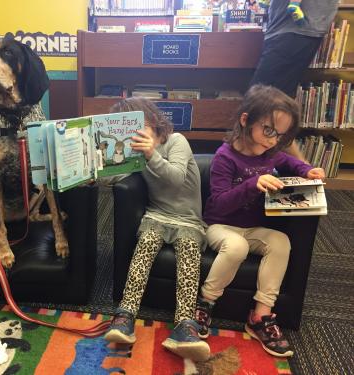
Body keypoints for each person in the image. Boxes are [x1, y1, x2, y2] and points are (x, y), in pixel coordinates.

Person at [194, 85, 325, 358]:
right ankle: (205, 303)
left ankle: (261, 315)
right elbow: (219, 203)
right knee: (237, 247)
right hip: (220, 225)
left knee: (281, 242)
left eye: (280, 134)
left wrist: (308, 170)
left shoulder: (271, 153)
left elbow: (290, 162)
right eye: (268, 130)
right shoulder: (224, 157)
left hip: (253, 228)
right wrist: (253, 184)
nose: (273, 140)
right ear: (245, 120)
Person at [103, 97, 210, 362]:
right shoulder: (137, 152)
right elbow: (115, 176)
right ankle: (125, 315)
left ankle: (185, 325)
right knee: (144, 248)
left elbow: (175, 179)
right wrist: (90, 175)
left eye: (135, 126)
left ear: (151, 121)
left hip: (188, 220)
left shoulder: (177, 141)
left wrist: (151, 154)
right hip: (157, 216)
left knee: (188, 259)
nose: (132, 135)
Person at [250, 0, 339, 98]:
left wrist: (294, 4)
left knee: (260, 95)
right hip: (292, 27)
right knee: (278, 95)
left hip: (293, 26)